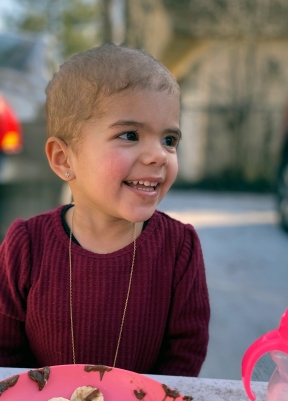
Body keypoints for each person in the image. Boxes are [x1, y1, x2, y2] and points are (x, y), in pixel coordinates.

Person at [0, 45, 210, 376]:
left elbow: (185, 352)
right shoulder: (26, 245)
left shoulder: (179, 248)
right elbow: (5, 352)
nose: (159, 155)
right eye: (130, 135)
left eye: (169, 140)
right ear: (63, 159)